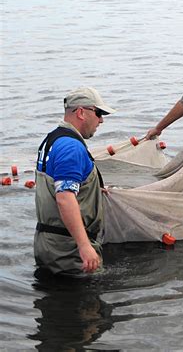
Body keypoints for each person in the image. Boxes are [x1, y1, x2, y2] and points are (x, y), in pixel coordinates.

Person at [34, 87, 116, 276]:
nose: (101, 120)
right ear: (81, 112)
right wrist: (85, 246)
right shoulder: (71, 147)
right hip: (68, 250)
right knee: (85, 301)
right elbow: (64, 198)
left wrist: (93, 190)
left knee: (56, 299)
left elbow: (55, 185)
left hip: (47, 243)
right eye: (99, 113)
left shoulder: (52, 139)